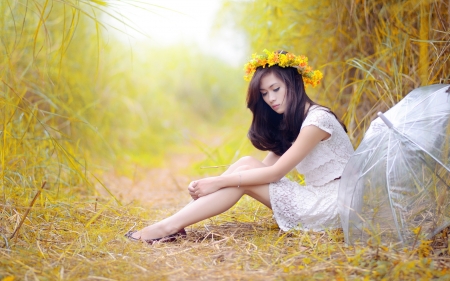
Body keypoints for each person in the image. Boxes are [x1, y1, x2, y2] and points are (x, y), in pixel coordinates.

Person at [125, 50, 355, 244]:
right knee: (245, 166)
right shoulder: (294, 121)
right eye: (264, 94)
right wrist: (213, 188)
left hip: (334, 205)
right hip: (317, 197)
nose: (271, 99)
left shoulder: (318, 121)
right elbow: (257, 172)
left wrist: (216, 182)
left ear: (294, 83)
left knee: (241, 176)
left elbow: (275, 173)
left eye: (276, 89)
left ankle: (168, 227)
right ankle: (175, 222)